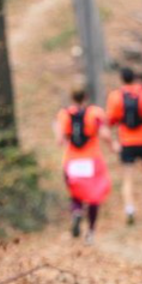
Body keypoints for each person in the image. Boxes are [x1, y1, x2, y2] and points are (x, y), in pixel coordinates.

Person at [55, 87, 112, 244]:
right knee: (94, 197)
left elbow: (60, 140)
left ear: (71, 97)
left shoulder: (64, 114)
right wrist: (113, 146)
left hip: (72, 161)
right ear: (85, 97)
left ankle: (77, 211)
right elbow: (105, 134)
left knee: (76, 193)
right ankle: (91, 232)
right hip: (92, 161)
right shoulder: (95, 113)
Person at [106, 67, 142, 225]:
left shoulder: (115, 96)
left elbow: (111, 119)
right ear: (135, 78)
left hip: (126, 141)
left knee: (128, 177)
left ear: (121, 79)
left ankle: (129, 208)